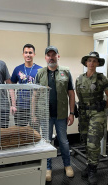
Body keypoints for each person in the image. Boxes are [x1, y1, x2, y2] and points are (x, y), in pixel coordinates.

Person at [35, 46, 75, 181]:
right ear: (45, 57)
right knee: (46, 142)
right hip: (44, 115)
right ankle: (48, 168)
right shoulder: (40, 73)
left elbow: (71, 93)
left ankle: (67, 165)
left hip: (61, 114)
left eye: (54, 55)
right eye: (48, 55)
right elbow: (35, 94)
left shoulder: (66, 72)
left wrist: (72, 113)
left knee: (63, 141)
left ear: (58, 56)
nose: (51, 57)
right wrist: (34, 113)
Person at [76, 51, 108, 185]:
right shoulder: (79, 79)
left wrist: (103, 107)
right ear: (86, 62)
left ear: (98, 63)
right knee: (85, 140)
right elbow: (79, 98)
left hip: (97, 114)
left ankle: (93, 169)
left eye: (94, 61)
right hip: (84, 114)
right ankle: (89, 164)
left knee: (93, 142)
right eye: (89, 60)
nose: (91, 63)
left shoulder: (102, 78)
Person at [11, 44, 42, 126]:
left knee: (34, 134)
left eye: (30, 53)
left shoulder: (40, 70)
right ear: (23, 54)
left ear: (34, 54)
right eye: (26, 52)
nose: (28, 55)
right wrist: (13, 104)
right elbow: (11, 88)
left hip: (35, 108)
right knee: (20, 134)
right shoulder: (18, 69)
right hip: (21, 107)